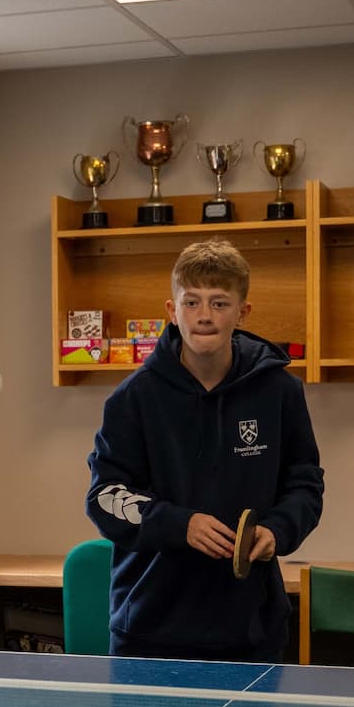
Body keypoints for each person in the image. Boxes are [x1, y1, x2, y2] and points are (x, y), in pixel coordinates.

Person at [86, 238, 323, 662]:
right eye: (191, 302)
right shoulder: (133, 398)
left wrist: (278, 529)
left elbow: (304, 483)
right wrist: (180, 525)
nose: (205, 316)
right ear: (171, 310)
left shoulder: (280, 391)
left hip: (251, 629)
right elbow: (105, 497)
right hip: (150, 630)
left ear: (243, 312)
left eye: (219, 303)